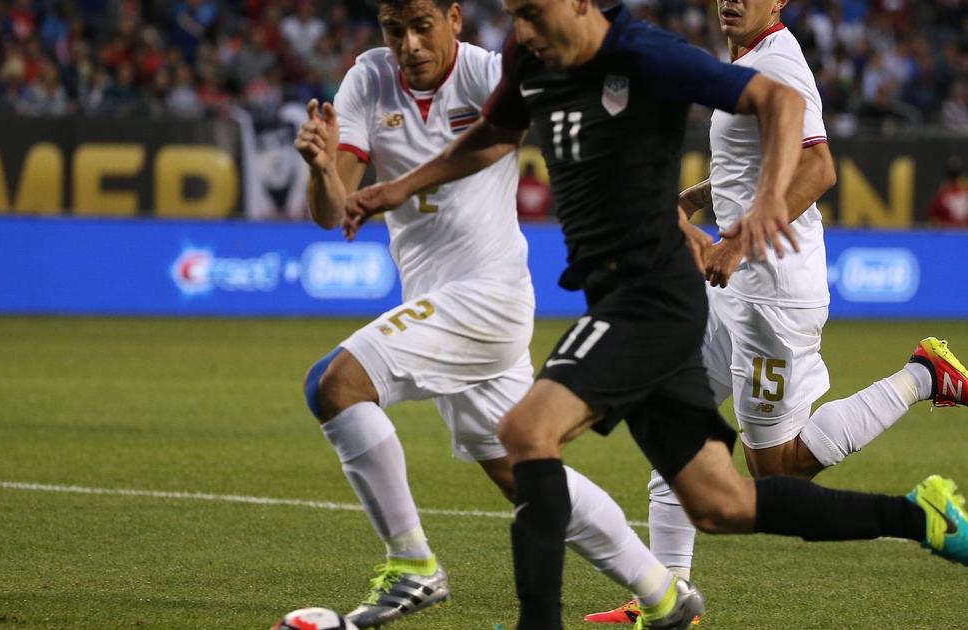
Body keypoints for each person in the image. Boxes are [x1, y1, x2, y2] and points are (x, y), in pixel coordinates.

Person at [343, 1, 968, 628]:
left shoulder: (645, 54)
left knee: (526, 432)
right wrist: (394, 189)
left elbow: (777, 105)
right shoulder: (529, 56)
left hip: (654, 302)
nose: (525, 31)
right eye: (516, 16)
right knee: (721, 500)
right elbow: (495, 131)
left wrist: (765, 206)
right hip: (627, 298)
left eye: (536, 14)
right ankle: (919, 518)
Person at [586, 1, 968, 623]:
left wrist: (734, 241)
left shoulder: (779, 59)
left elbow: (818, 166)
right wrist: (698, 199)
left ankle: (923, 377)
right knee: (673, 414)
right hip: (739, 287)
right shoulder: (749, 58)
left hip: (772, 291)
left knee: (776, 469)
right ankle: (669, 596)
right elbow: (752, 165)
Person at [295, 0, 692, 626]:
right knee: (522, 472)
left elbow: (595, 135)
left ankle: (413, 564)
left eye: (422, 26)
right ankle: (664, 594)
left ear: (454, 18)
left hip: (488, 296)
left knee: (335, 383)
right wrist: (321, 172)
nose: (409, 45)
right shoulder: (368, 79)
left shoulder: (488, 74)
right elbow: (331, 211)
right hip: (435, 304)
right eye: (394, 30)